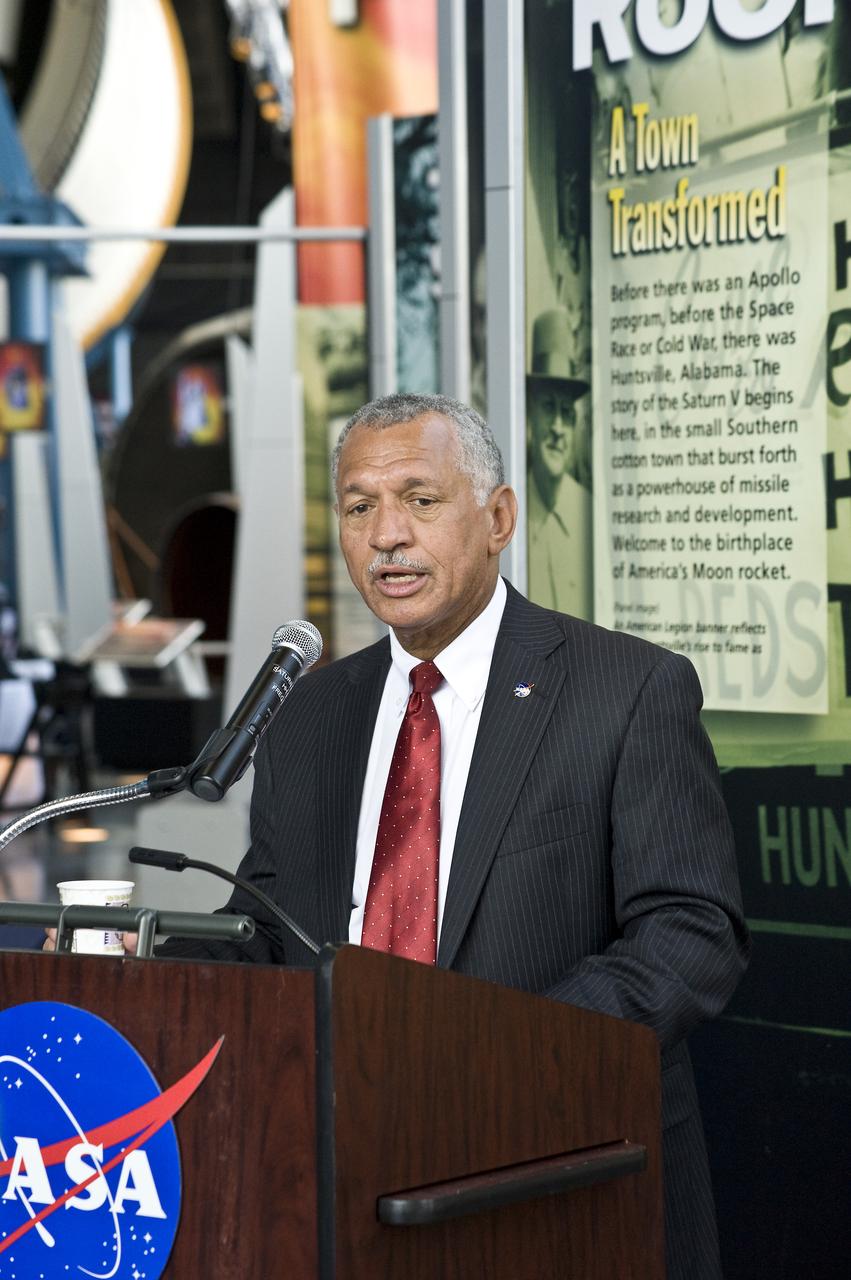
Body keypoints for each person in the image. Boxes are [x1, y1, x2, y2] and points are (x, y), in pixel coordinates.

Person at [127, 393, 746, 1278]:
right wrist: (142, 969)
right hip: (346, 1180)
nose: (386, 535)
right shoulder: (309, 715)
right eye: (358, 506)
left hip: (559, 1181)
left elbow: (691, 934)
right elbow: (268, 933)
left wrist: (489, 1058)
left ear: (497, 519)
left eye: (419, 500)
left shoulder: (626, 690)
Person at [526, 308, 593, 618]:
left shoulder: (587, 513)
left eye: (566, 414)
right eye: (547, 408)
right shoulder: (508, 517)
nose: (556, 427)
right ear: (530, 417)